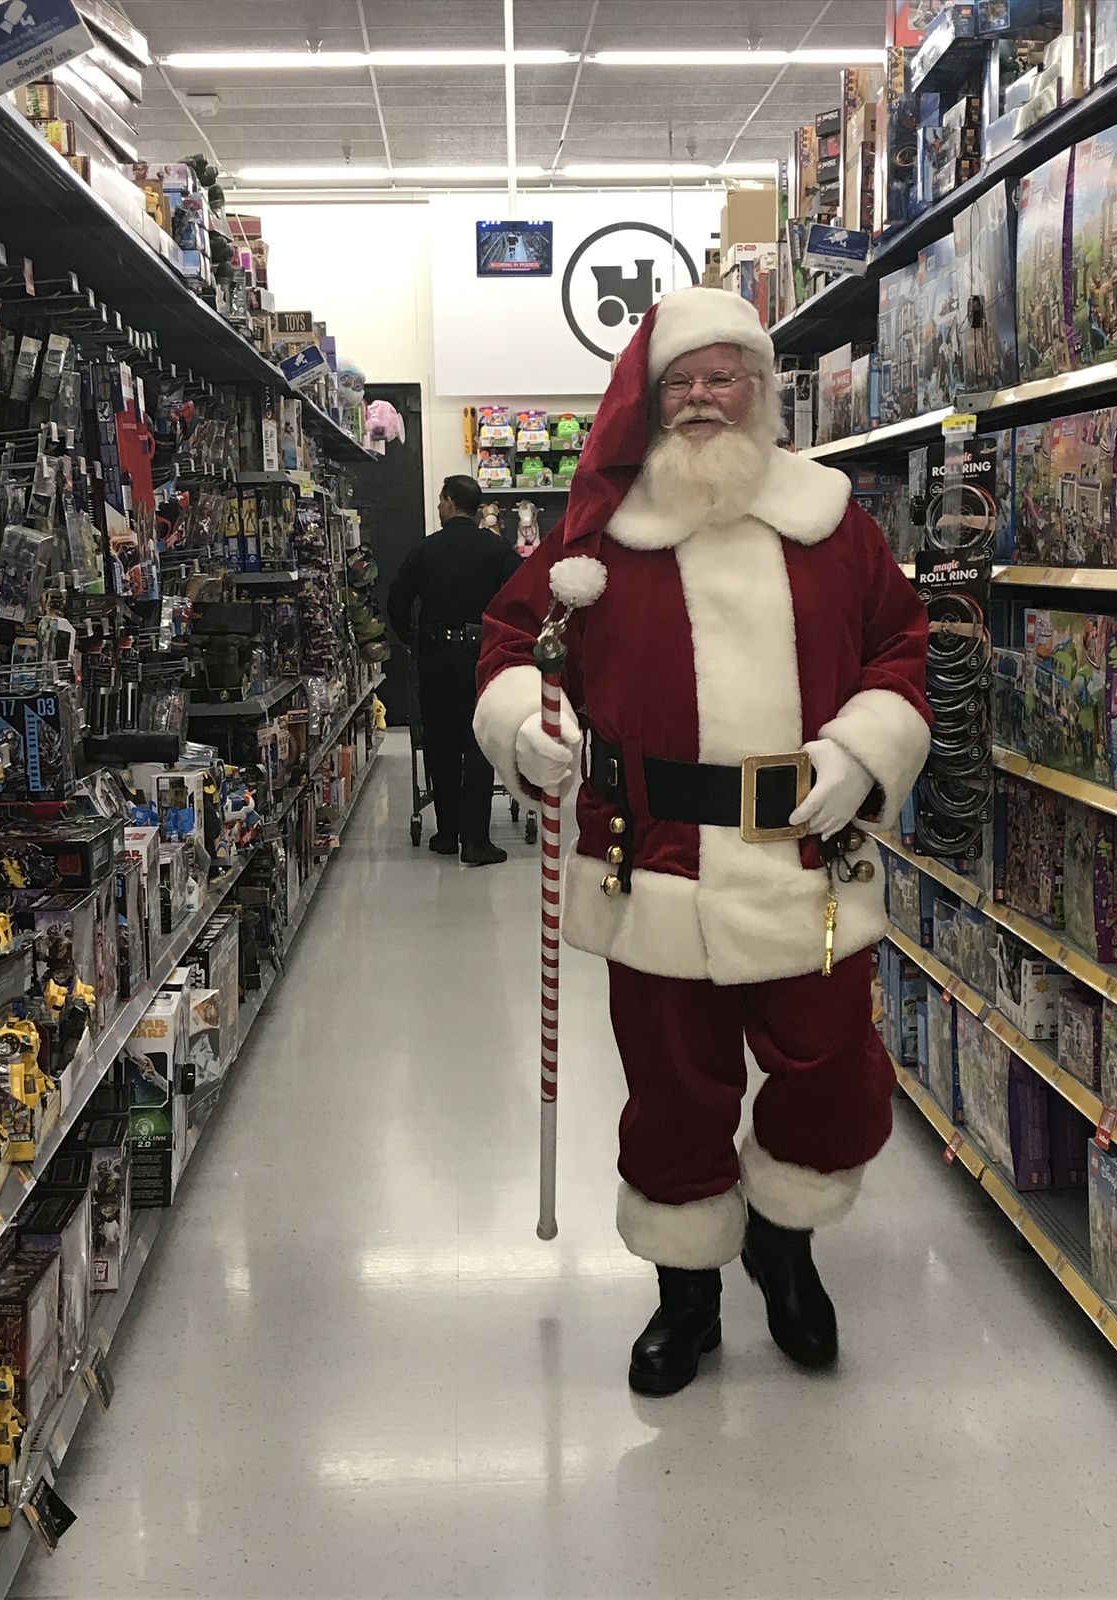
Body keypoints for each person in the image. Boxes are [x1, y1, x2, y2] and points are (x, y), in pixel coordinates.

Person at [474, 288, 931, 1394]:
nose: (699, 399)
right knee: (673, 1088)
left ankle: (785, 1239)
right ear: (650, 399)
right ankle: (685, 1290)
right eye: (678, 382)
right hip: (656, 863)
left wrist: (864, 752)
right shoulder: (603, 539)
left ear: (763, 391)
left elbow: (901, 650)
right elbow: (509, 643)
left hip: (806, 862)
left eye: (721, 377)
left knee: (833, 1075)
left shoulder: (834, 522)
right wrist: (528, 726)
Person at [388, 474, 521, 865]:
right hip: (482, 657)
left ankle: (447, 833)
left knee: (441, 742)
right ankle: (476, 841)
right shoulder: (498, 551)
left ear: (448, 502)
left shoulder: (425, 551)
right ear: (478, 508)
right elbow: (521, 596)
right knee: (478, 742)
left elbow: (397, 600)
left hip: (434, 658)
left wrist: (412, 640)